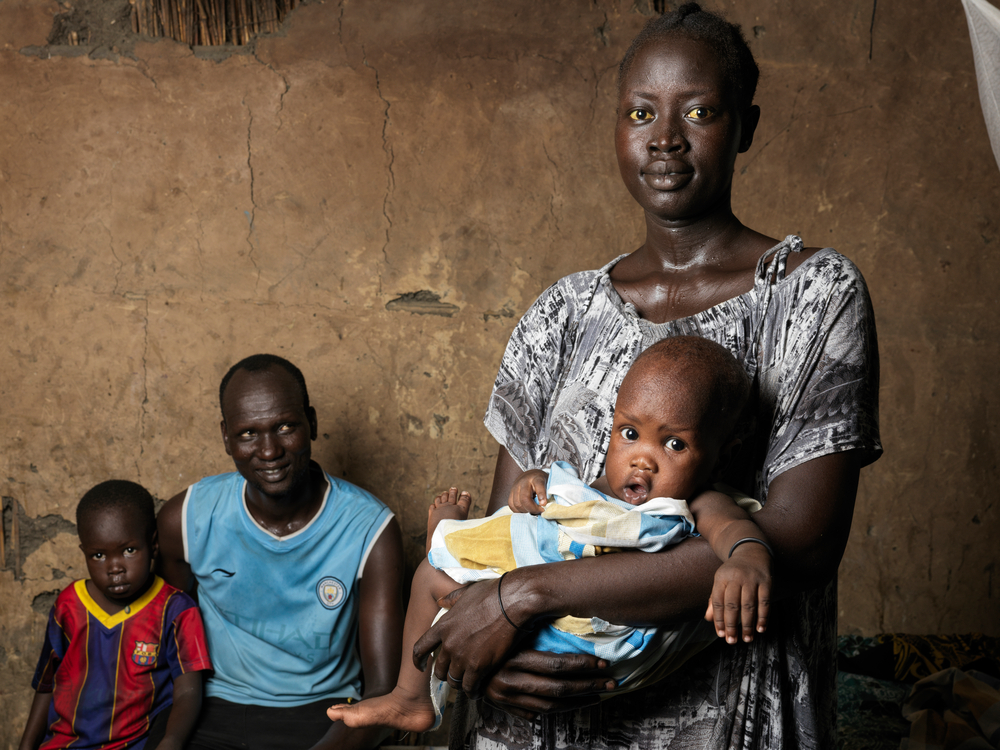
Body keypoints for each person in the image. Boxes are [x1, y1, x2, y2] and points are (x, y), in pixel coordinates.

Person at [412, 4, 882, 749]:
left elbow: (798, 541)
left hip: (725, 720)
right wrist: (485, 639)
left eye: (698, 110)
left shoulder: (814, 296)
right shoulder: (560, 313)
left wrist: (524, 595)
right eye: (640, 112)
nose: (664, 138)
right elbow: (513, 525)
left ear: (747, 128)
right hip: (537, 719)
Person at [327, 336, 773, 733]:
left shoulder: (696, 502)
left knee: (438, 574)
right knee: (434, 575)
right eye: (630, 433)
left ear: (720, 456)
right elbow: (555, 512)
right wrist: (533, 484)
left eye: (674, 444)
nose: (643, 460)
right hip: (537, 622)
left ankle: (445, 549)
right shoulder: (596, 490)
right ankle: (412, 695)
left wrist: (746, 558)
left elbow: (733, 529)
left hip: (598, 640)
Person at [156, 354, 405, 750]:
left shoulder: (370, 530)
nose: (269, 451)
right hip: (212, 707)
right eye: (247, 434)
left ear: (313, 423)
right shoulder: (185, 520)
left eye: (285, 427)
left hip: (325, 713)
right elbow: (166, 646)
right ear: (225, 437)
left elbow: (383, 689)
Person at [17, 480, 212, 750]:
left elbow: (189, 691)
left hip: (134, 744)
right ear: (84, 553)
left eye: (129, 551)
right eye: (98, 555)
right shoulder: (68, 605)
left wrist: (171, 741)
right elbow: (46, 684)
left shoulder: (175, 610)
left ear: (153, 546)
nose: (115, 568)